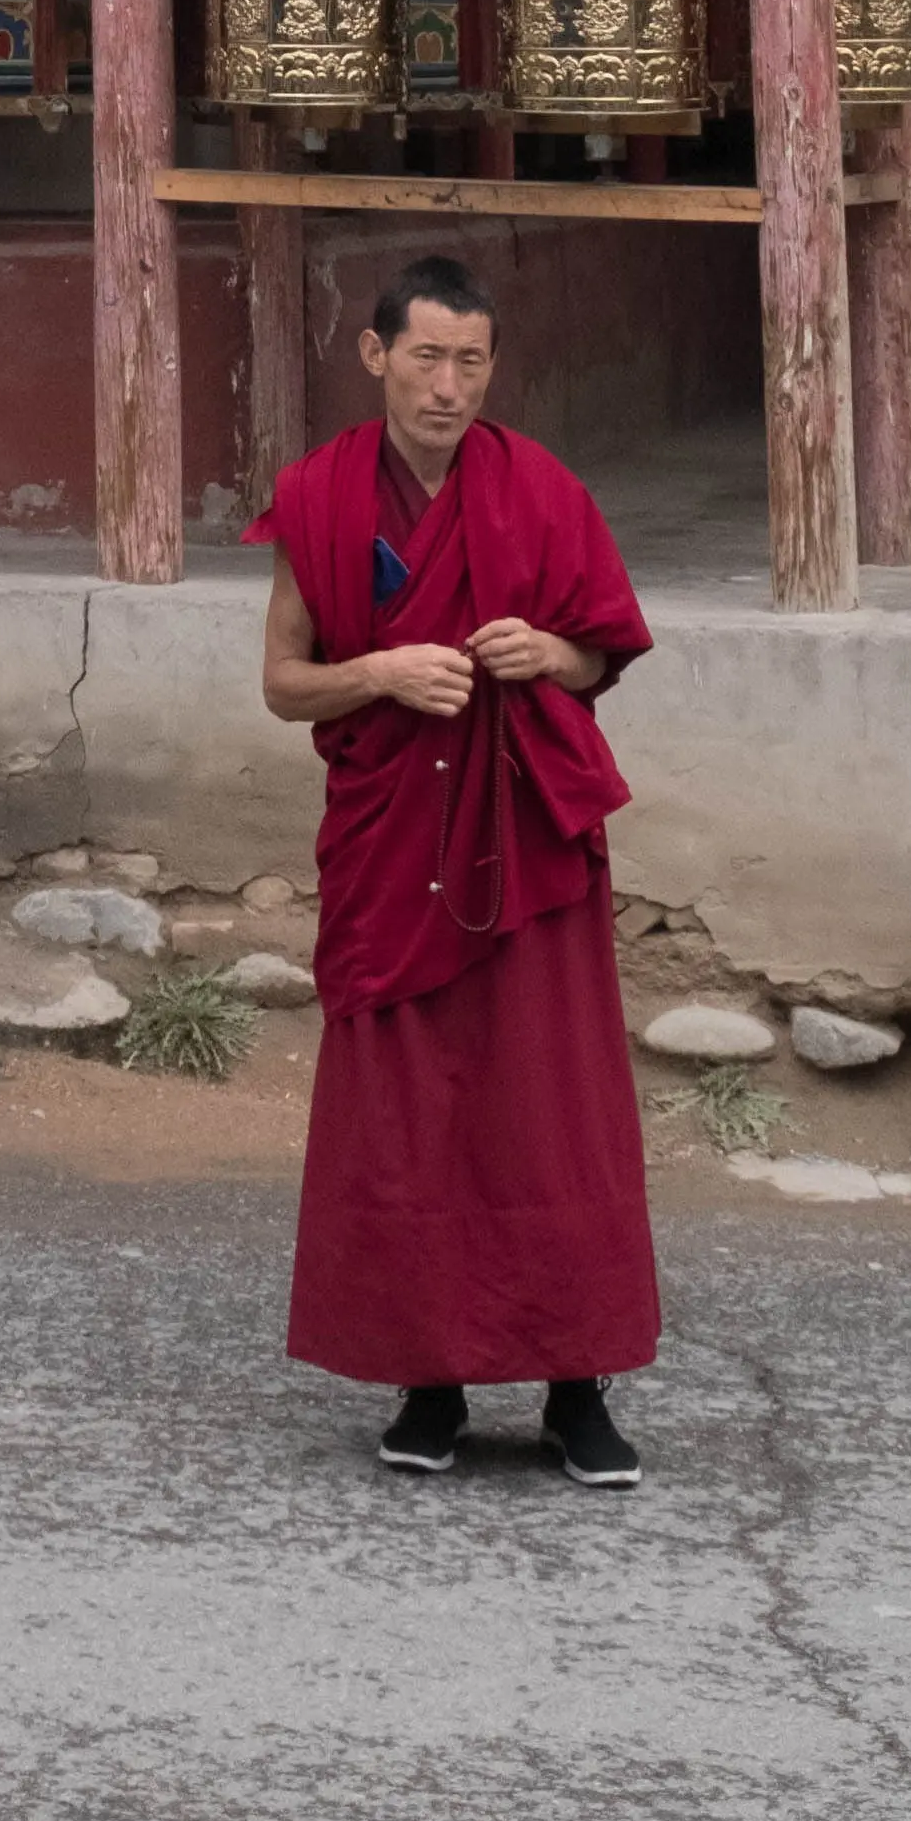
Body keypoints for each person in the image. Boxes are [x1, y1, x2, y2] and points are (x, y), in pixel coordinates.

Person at [251, 253, 658, 1486]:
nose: (448, 386)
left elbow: (603, 656)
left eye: (470, 362)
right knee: (409, 1112)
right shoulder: (319, 498)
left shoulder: (539, 489)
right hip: (392, 843)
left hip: (522, 837)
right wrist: (379, 672)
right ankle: (428, 1383)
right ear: (374, 356)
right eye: (425, 357)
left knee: (549, 1105)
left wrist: (547, 653)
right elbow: (282, 683)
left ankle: (576, 1388)